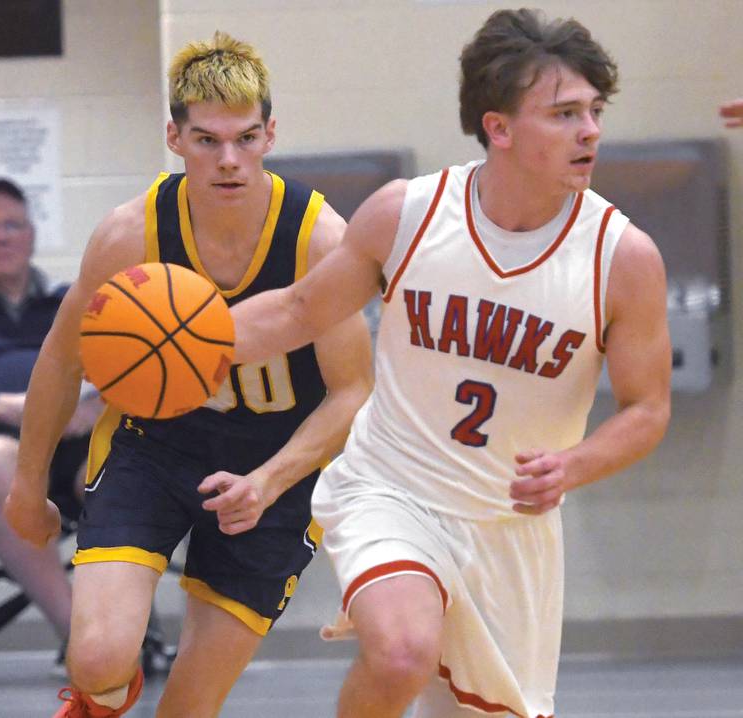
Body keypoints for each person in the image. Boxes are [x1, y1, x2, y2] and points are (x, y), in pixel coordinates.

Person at [224, 8, 672, 718]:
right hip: (394, 490)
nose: (589, 131)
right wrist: (190, 338)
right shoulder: (409, 214)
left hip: (506, 526)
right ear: (498, 128)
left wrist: (574, 465)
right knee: (399, 653)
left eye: (593, 110)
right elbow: (298, 309)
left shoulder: (624, 258)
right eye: (562, 114)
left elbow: (648, 408)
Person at [4, 32, 373, 718]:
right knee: (97, 659)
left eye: (245, 137)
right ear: (174, 137)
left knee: (191, 705)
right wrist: (28, 485)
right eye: (207, 140)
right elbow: (61, 356)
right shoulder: (131, 233)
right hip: (154, 447)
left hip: (274, 467)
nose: (228, 160)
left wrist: (269, 481)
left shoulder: (318, 238)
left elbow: (354, 389)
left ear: (270, 135)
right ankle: (98, 702)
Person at [0, 177, 102, 652]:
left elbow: (127, 367)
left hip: (72, 437)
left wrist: (97, 406)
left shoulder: (68, 304)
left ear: (31, 235)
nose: (1, 236)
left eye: (12, 224)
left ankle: (121, 628)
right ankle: (80, 640)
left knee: (118, 469)